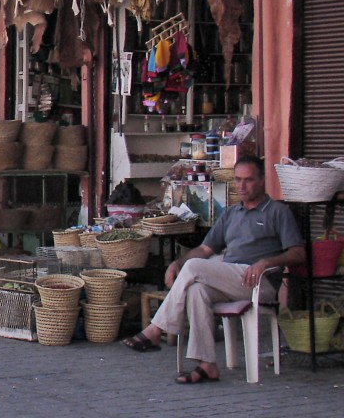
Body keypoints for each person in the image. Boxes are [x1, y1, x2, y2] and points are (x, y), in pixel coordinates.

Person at [122, 155, 305, 384]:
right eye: (238, 180)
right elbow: (206, 249)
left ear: (261, 180)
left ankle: (156, 329)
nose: (241, 186)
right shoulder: (230, 214)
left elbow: (298, 253)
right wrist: (177, 264)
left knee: (194, 268)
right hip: (229, 279)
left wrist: (266, 262)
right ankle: (207, 364)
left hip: (259, 283)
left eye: (248, 180)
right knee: (197, 289)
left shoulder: (277, 212)